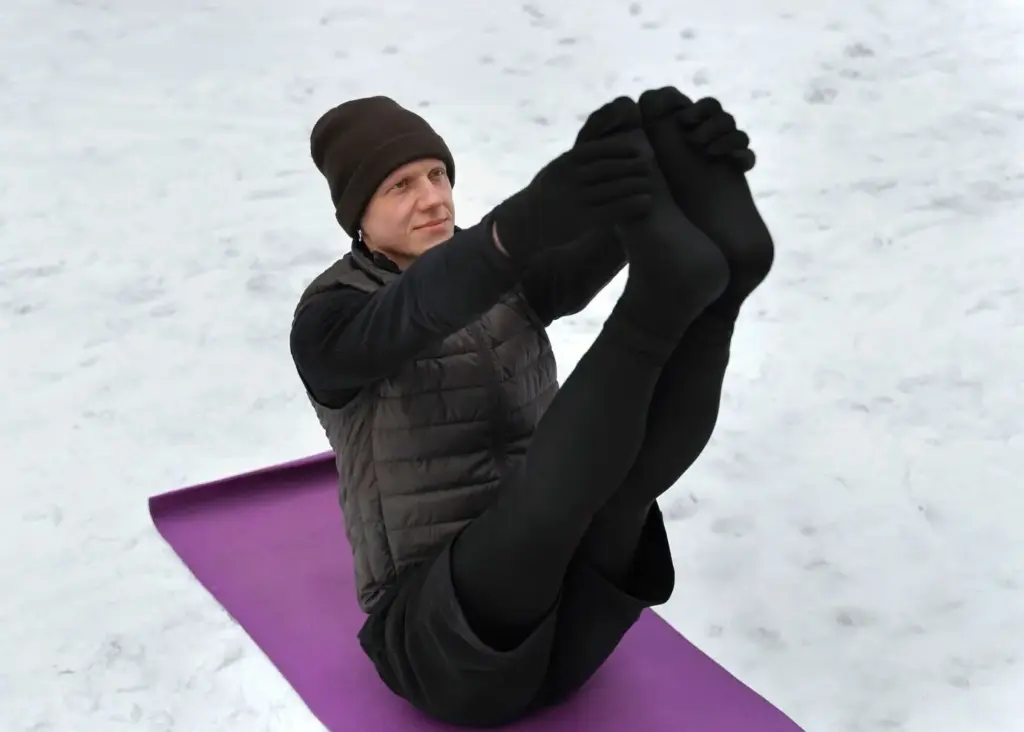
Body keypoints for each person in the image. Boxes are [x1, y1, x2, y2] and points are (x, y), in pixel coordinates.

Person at [289, 89, 773, 727]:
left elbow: (582, 249)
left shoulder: (497, 274)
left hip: (576, 619)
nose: (433, 198)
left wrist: (655, 170)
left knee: (619, 493)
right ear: (358, 213)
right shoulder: (330, 321)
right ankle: (663, 299)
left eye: (437, 175)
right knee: (550, 499)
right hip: (445, 647)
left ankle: (724, 291)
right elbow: (419, 307)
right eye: (400, 186)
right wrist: (515, 229)